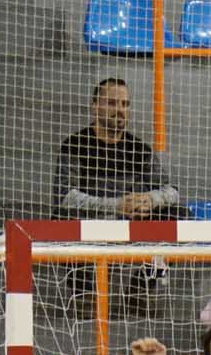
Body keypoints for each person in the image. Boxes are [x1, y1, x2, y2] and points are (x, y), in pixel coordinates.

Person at [56, 78, 183, 316]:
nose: (120, 110)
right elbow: (65, 197)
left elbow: (171, 191)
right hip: (91, 225)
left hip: (130, 224)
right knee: (62, 218)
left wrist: (149, 200)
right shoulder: (74, 146)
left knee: (179, 216)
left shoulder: (139, 149)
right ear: (95, 106)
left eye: (125, 104)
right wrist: (117, 205)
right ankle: (84, 293)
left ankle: (142, 286)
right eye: (112, 103)